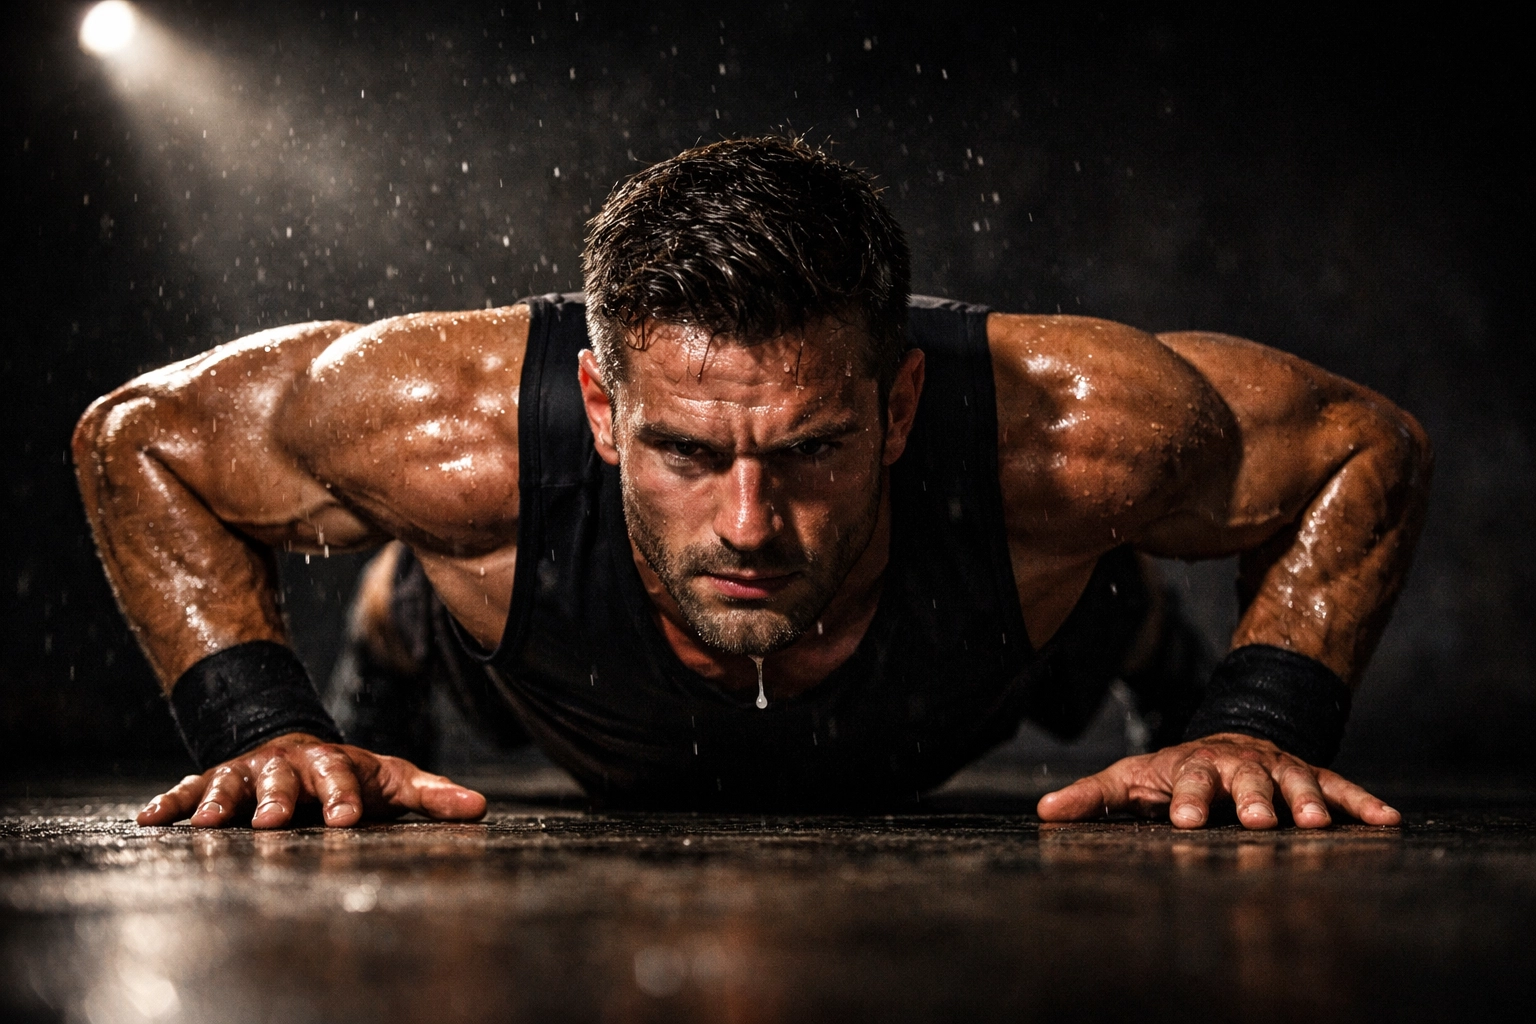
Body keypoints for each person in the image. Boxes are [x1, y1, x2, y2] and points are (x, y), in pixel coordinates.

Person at [73, 136, 1429, 831]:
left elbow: (1366, 443)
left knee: (1097, 584)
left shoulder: (1069, 433)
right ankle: (398, 625)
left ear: (899, 404)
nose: (746, 522)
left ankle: (1136, 634)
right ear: (603, 410)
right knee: (422, 591)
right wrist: (258, 726)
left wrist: (1263, 723)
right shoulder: (455, 430)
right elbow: (137, 435)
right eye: (686, 450)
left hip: (967, 671)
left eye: (811, 451)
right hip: (551, 679)